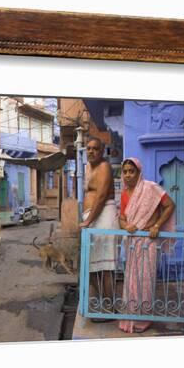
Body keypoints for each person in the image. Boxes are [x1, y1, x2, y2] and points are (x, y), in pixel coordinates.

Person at [118, 158, 176, 333]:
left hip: (149, 242)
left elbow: (169, 205)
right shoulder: (124, 194)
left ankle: (143, 320)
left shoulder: (150, 188)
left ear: (139, 172)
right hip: (133, 242)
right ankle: (129, 318)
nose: (128, 175)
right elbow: (121, 218)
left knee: (145, 280)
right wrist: (126, 226)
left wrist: (157, 225)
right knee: (130, 281)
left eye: (131, 171)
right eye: (125, 171)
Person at [78, 137, 119, 321]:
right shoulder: (88, 167)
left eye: (95, 149)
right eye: (89, 148)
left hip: (102, 217)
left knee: (105, 267)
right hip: (92, 218)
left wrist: (89, 221)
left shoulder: (104, 167)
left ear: (102, 151)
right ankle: (105, 304)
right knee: (91, 267)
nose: (91, 151)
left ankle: (110, 308)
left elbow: (101, 195)